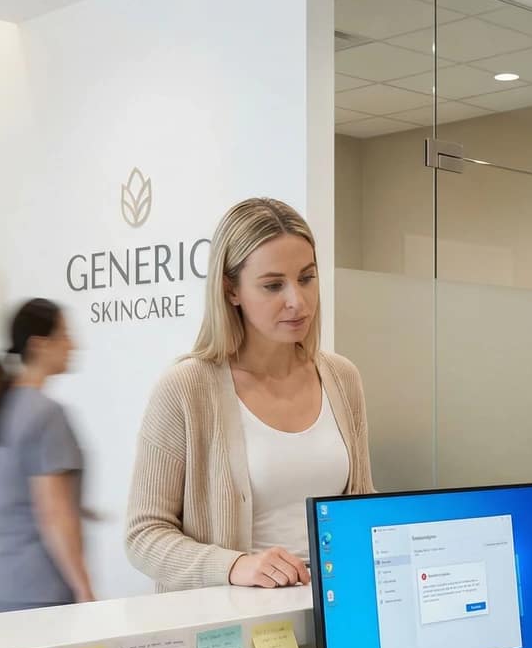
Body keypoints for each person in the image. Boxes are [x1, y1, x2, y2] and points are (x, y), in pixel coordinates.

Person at [126, 197, 372, 592]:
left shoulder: (342, 378)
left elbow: (362, 505)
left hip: (335, 616)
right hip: (234, 633)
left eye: (307, 278)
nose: (297, 300)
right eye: (273, 285)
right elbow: (142, 536)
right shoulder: (187, 388)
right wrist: (235, 565)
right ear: (231, 290)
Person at [0, 298, 94, 611]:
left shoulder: (4, 406)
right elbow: (53, 514)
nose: (74, 344)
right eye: (65, 334)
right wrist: (84, 588)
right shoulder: (47, 414)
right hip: (40, 589)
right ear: (40, 345)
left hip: (1, 584)